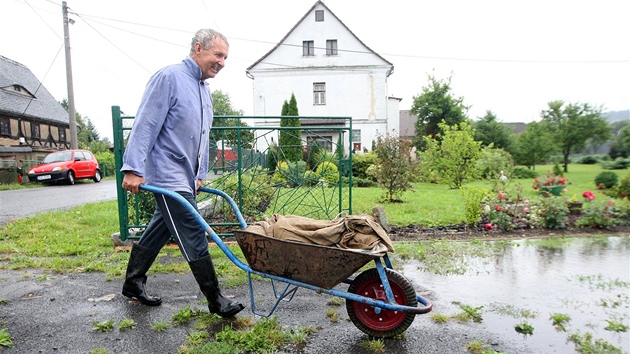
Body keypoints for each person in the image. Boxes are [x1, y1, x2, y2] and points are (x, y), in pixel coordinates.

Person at [120, 28, 244, 318]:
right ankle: (216, 299)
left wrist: (199, 173)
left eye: (225, 57)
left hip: (185, 177)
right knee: (191, 228)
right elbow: (146, 123)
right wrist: (134, 169)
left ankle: (133, 282)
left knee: (161, 227)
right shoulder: (170, 77)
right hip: (166, 174)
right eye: (218, 55)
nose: (222, 62)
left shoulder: (203, 89)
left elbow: (202, 136)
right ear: (198, 49)